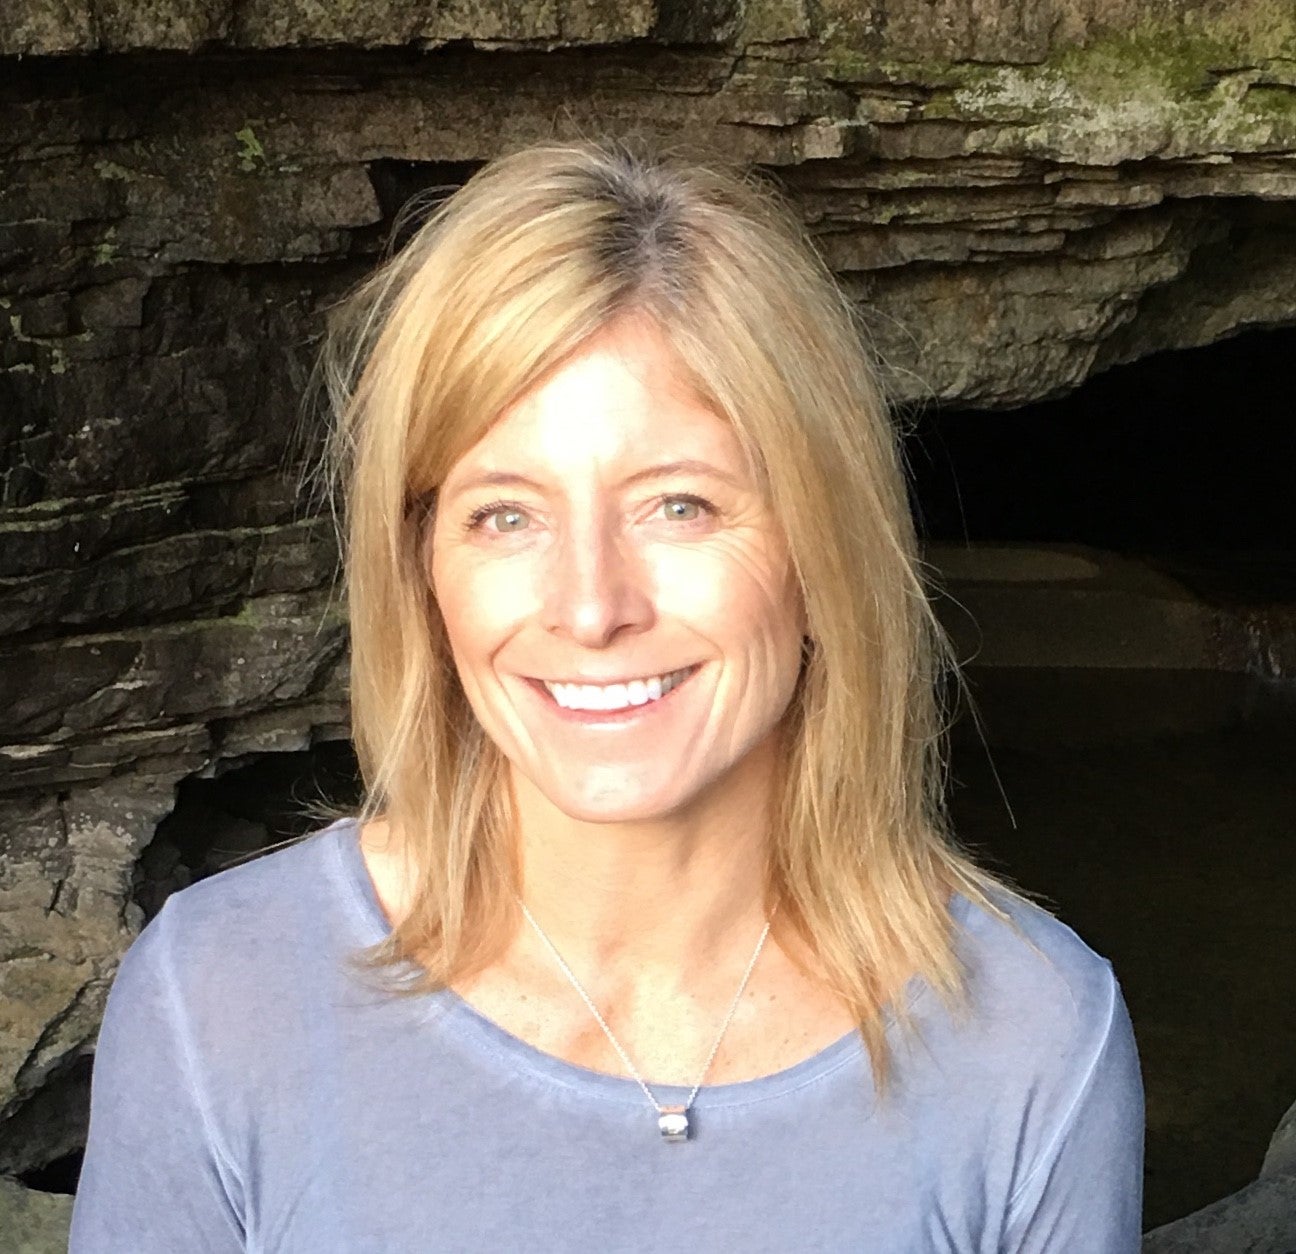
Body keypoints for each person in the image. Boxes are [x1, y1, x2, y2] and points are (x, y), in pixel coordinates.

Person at [69, 138, 1144, 1252]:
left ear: (823, 549)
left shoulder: (1033, 1043)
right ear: (422, 570)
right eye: (505, 514)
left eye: (676, 504)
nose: (590, 607)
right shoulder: (221, 1000)